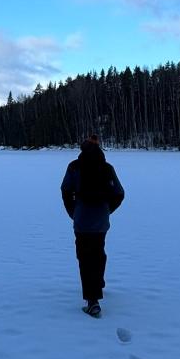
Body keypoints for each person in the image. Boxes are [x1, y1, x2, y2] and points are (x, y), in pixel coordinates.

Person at [60, 135, 125, 317]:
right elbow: (119, 193)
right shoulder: (107, 167)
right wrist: (107, 210)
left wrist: (73, 212)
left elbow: (65, 190)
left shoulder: (74, 166)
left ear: (83, 148)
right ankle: (98, 283)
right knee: (98, 252)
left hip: (81, 219)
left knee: (84, 258)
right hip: (101, 220)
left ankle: (92, 300)